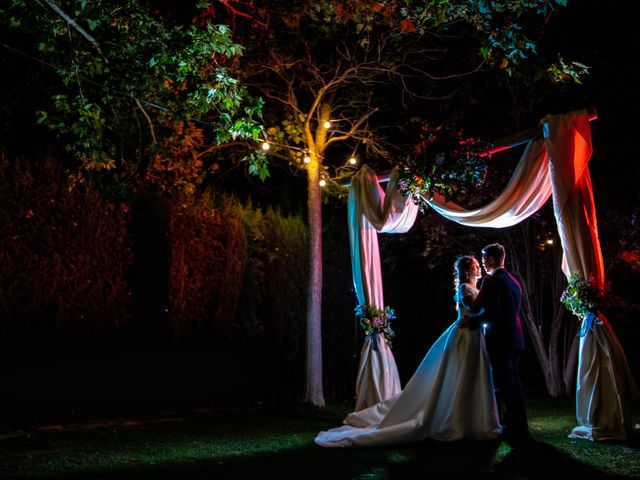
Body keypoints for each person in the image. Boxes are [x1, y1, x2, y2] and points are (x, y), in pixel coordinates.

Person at [314, 255, 501, 448]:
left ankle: (474, 419)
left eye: (479, 265)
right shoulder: (464, 288)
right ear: (468, 270)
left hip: (475, 334)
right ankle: (458, 420)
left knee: (474, 374)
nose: (479, 268)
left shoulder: (477, 288)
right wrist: (488, 291)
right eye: (476, 266)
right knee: (462, 374)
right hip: (465, 336)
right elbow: (474, 307)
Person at [472, 243, 530, 445]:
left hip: (500, 339)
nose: (483, 263)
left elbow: (493, 312)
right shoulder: (513, 281)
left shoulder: (493, 281)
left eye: (484, 258)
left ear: (491, 260)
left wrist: (474, 322)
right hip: (516, 338)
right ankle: (519, 426)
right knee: (513, 383)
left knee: (506, 385)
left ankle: (515, 429)